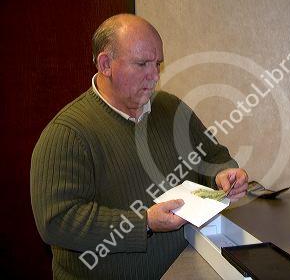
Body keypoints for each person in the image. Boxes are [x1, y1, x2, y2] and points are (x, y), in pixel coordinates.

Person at [30, 14, 248, 280]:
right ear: (105, 64)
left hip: (186, 270)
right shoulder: (68, 134)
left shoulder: (171, 108)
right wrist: (144, 223)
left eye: (157, 63)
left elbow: (212, 156)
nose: (155, 75)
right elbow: (58, 222)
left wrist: (224, 174)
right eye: (142, 64)